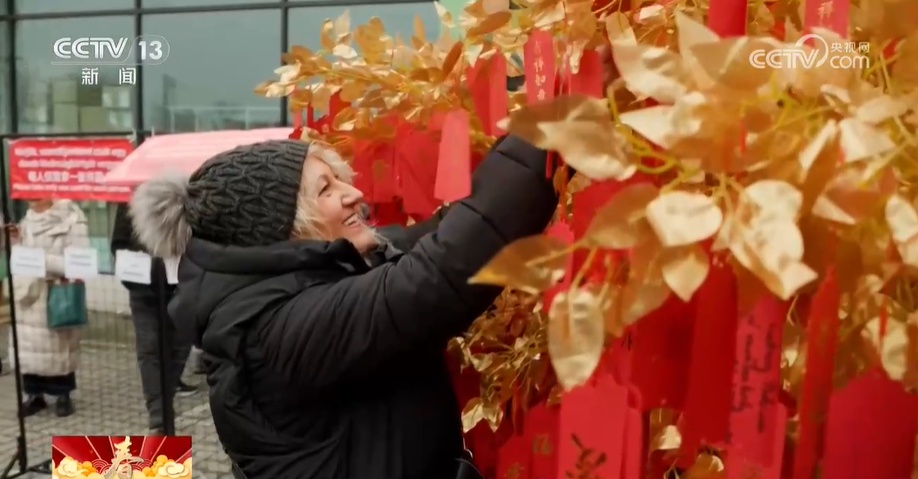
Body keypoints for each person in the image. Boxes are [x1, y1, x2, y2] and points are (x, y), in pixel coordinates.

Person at [129, 135, 560, 479]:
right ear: (281, 225)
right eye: (326, 189)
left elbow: (448, 234)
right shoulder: (273, 330)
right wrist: (556, 125)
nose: (354, 193)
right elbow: (439, 273)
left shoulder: (320, 274)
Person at [111, 203, 197, 435]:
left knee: (179, 349)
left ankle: (163, 410)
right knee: (149, 350)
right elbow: (119, 243)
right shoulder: (130, 199)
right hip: (143, 290)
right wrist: (139, 266)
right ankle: (159, 419)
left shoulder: (190, 193)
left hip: (182, 287)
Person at [14, 199, 90, 417]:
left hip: (56, 293)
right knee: (29, 349)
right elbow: (17, 257)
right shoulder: (25, 221)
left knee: (58, 346)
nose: (33, 198)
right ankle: (34, 394)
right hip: (28, 295)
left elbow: (79, 262)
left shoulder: (71, 219)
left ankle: (63, 395)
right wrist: (12, 243)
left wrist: (39, 260)